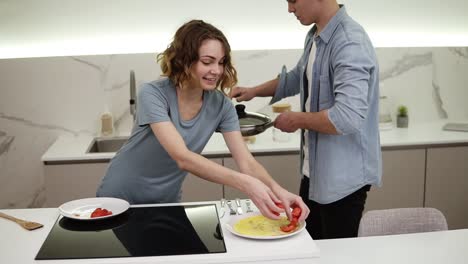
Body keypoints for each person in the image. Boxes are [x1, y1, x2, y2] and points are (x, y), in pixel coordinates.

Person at [96, 19, 309, 222]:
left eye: (221, 62)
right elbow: (182, 157)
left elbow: (247, 163)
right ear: (184, 59)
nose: (216, 70)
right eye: (207, 62)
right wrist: (246, 184)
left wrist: (277, 190)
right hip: (120, 197)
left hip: (166, 201)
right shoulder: (153, 94)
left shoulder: (221, 105)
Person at [231, 0, 382, 239]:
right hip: (314, 174)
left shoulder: (349, 41)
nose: (290, 9)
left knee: (335, 255)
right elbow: (295, 78)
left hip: (343, 182)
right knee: (308, 246)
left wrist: (297, 120)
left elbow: (348, 116)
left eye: (293, 0)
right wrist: (253, 91)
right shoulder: (315, 35)